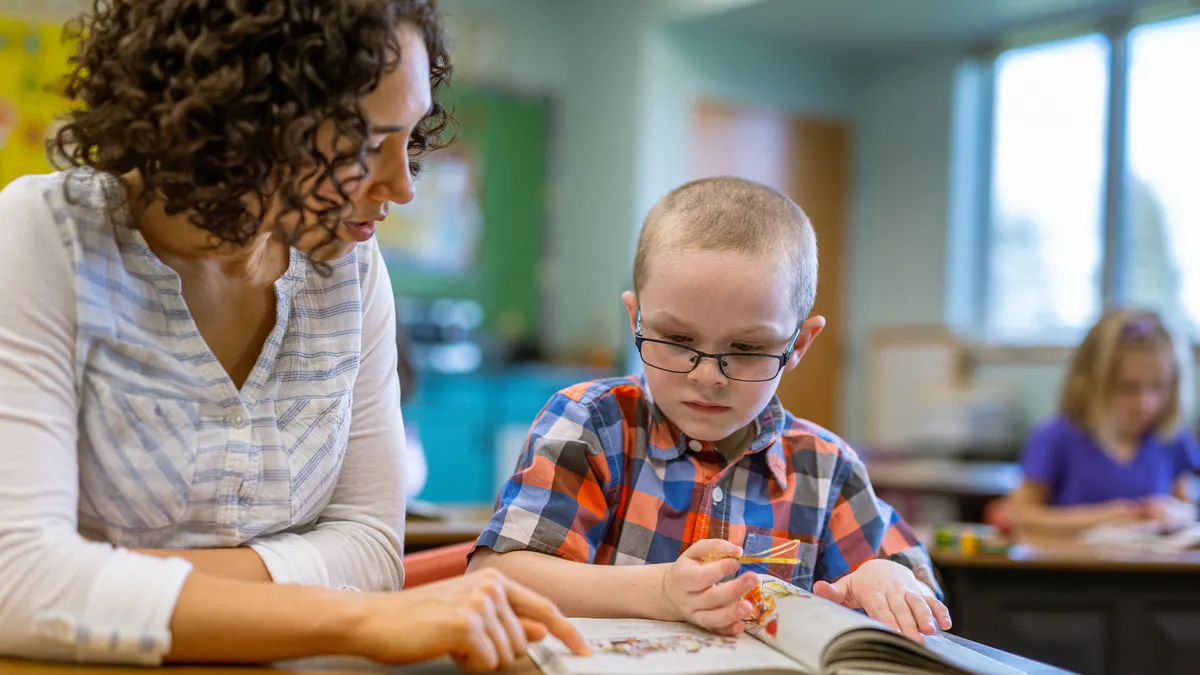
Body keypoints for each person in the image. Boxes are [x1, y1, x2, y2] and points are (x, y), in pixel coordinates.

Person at [0, 0, 585, 668]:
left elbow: (371, 548)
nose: (401, 185)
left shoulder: (353, 271)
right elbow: (17, 579)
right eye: (367, 143)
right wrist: (355, 615)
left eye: (411, 135)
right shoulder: (41, 236)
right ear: (236, 118)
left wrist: (105, 574)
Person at [468, 177, 952, 644]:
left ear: (799, 345)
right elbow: (500, 575)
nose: (707, 376)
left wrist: (888, 579)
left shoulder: (826, 469)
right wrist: (662, 593)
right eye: (677, 340)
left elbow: (921, 600)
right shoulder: (592, 425)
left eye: (745, 348)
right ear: (636, 319)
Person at [1006, 308, 1199, 537]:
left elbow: (1188, 509)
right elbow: (1018, 516)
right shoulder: (1056, 437)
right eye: (1129, 388)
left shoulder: (1171, 439)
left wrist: (1173, 513)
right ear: (1091, 384)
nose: (1145, 403)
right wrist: (1103, 518)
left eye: (1157, 387)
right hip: (1073, 569)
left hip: (1146, 567)